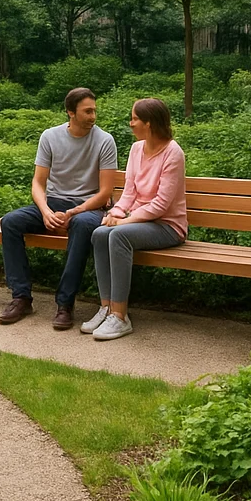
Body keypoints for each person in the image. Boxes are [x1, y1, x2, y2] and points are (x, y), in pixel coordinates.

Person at [0, 87, 119, 329]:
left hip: (88, 207)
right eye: (87, 111)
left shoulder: (105, 141)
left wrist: (74, 212)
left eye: (94, 110)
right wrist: (45, 212)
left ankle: (65, 304)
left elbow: (105, 192)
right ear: (70, 113)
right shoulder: (50, 137)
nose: (93, 116)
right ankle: (21, 297)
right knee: (10, 222)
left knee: (83, 226)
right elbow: (38, 183)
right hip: (53, 203)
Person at [84, 97, 187, 341]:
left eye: (135, 119)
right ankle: (107, 308)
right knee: (99, 233)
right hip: (141, 223)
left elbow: (161, 206)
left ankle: (120, 317)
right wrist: (115, 214)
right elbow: (129, 192)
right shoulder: (136, 149)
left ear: (149, 123)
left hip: (168, 226)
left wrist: (123, 223)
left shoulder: (173, 153)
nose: (130, 124)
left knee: (119, 236)